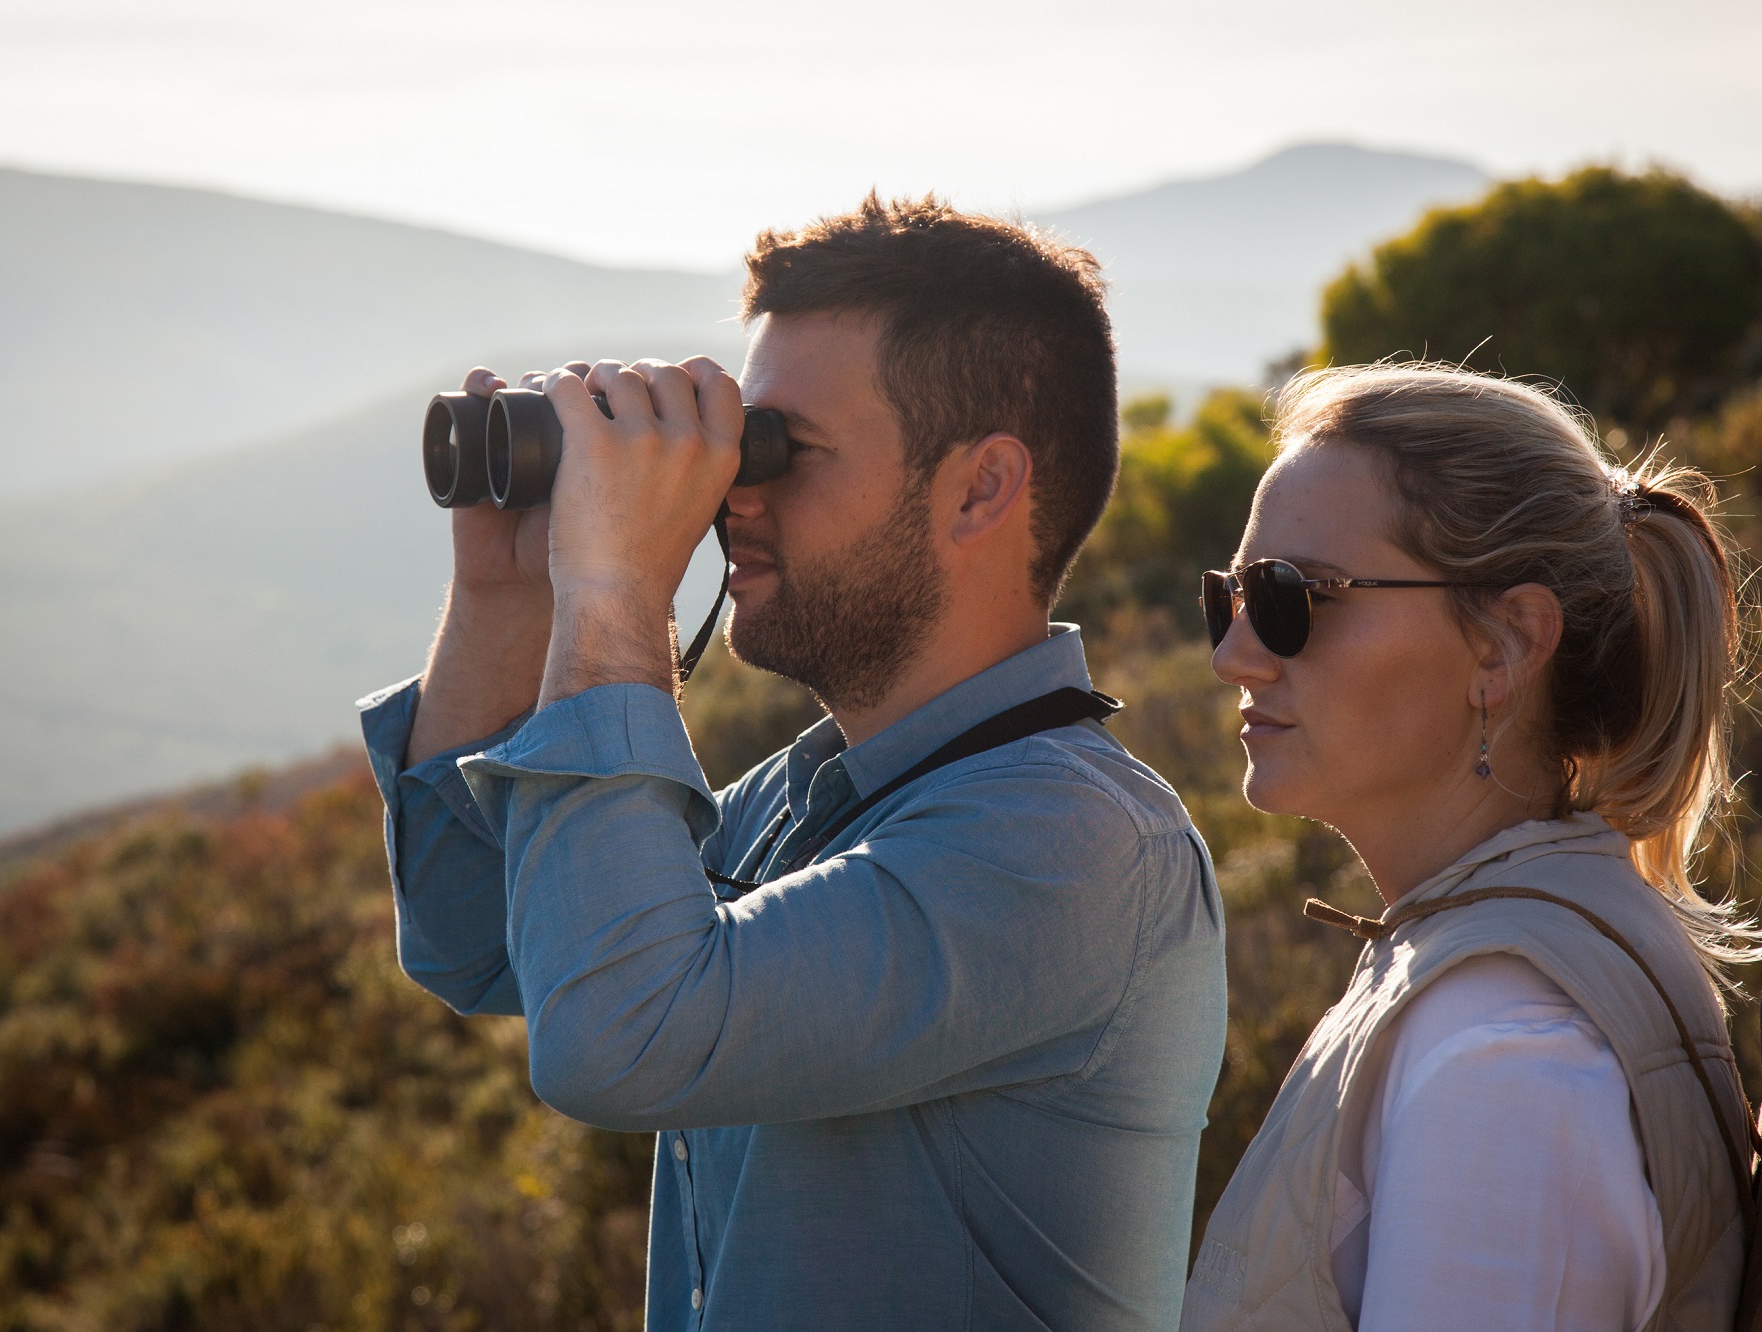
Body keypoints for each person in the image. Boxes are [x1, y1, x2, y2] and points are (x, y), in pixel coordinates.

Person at [358, 195, 1227, 1332]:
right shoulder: (806, 801)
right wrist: (506, 592)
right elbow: (474, 941)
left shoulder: (1071, 845)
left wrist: (614, 587)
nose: (732, 494)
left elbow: (622, 1041)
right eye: (734, 445)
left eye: (780, 450)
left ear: (980, 488)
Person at [1181, 364, 1762, 1332]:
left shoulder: (1502, 1065)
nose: (1232, 654)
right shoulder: (1491, 975)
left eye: (1289, 598)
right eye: (1228, 597)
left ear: (1503, 645)